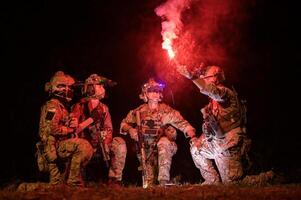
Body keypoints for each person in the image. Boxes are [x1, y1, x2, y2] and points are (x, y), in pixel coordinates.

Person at [113, 78, 196, 187]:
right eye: (152, 91)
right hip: (146, 150)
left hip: (163, 146)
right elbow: (123, 124)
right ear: (145, 94)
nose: (155, 93)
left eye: (157, 91)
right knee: (149, 184)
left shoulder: (166, 110)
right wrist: (131, 130)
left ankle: (164, 181)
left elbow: (183, 123)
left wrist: (193, 137)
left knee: (164, 142)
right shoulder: (139, 111)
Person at [177, 64, 251, 185]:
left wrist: (192, 77)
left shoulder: (226, 93)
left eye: (207, 76)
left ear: (216, 77)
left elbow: (211, 91)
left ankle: (265, 178)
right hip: (217, 143)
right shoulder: (212, 103)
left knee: (233, 184)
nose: (203, 78)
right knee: (196, 149)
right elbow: (210, 127)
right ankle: (212, 181)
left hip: (228, 144)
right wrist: (199, 140)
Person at [37, 71, 93, 187]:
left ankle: (24, 187)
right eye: (65, 86)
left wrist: (70, 125)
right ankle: (74, 183)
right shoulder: (52, 106)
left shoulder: (62, 107)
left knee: (57, 186)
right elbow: (49, 128)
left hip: (57, 147)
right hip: (53, 148)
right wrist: (69, 130)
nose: (69, 90)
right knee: (83, 146)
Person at [71, 74, 125, 186]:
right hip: (85, 143)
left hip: (101, 143)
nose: (103, 89)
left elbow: (109, 128)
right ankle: (77, 179)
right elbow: (74, 129)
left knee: (119, 143)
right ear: (90, 88)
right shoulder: (79, 106)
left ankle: (114, 179)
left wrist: (106, 142)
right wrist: (90, 120)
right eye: (100, 86)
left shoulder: (104, 108)